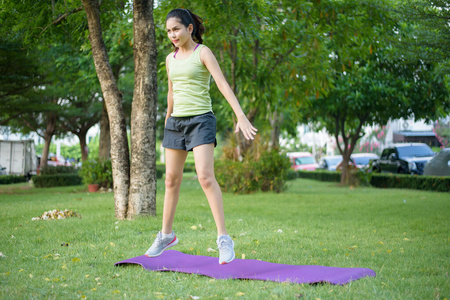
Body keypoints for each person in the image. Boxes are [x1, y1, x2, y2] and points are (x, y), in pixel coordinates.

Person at [145, 8, 257, 265]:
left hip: (201, 121)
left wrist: (240, 115)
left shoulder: (202, 53)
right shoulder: (169, 59)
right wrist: (168, 115)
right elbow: (172, 90)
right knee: (171, 180)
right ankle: (166, 235)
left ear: (189, 28)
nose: (172, 35)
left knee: (205, 178)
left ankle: (224, 239)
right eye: (169, 31)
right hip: (175, 123)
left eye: (176, 29)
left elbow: (222, 83)